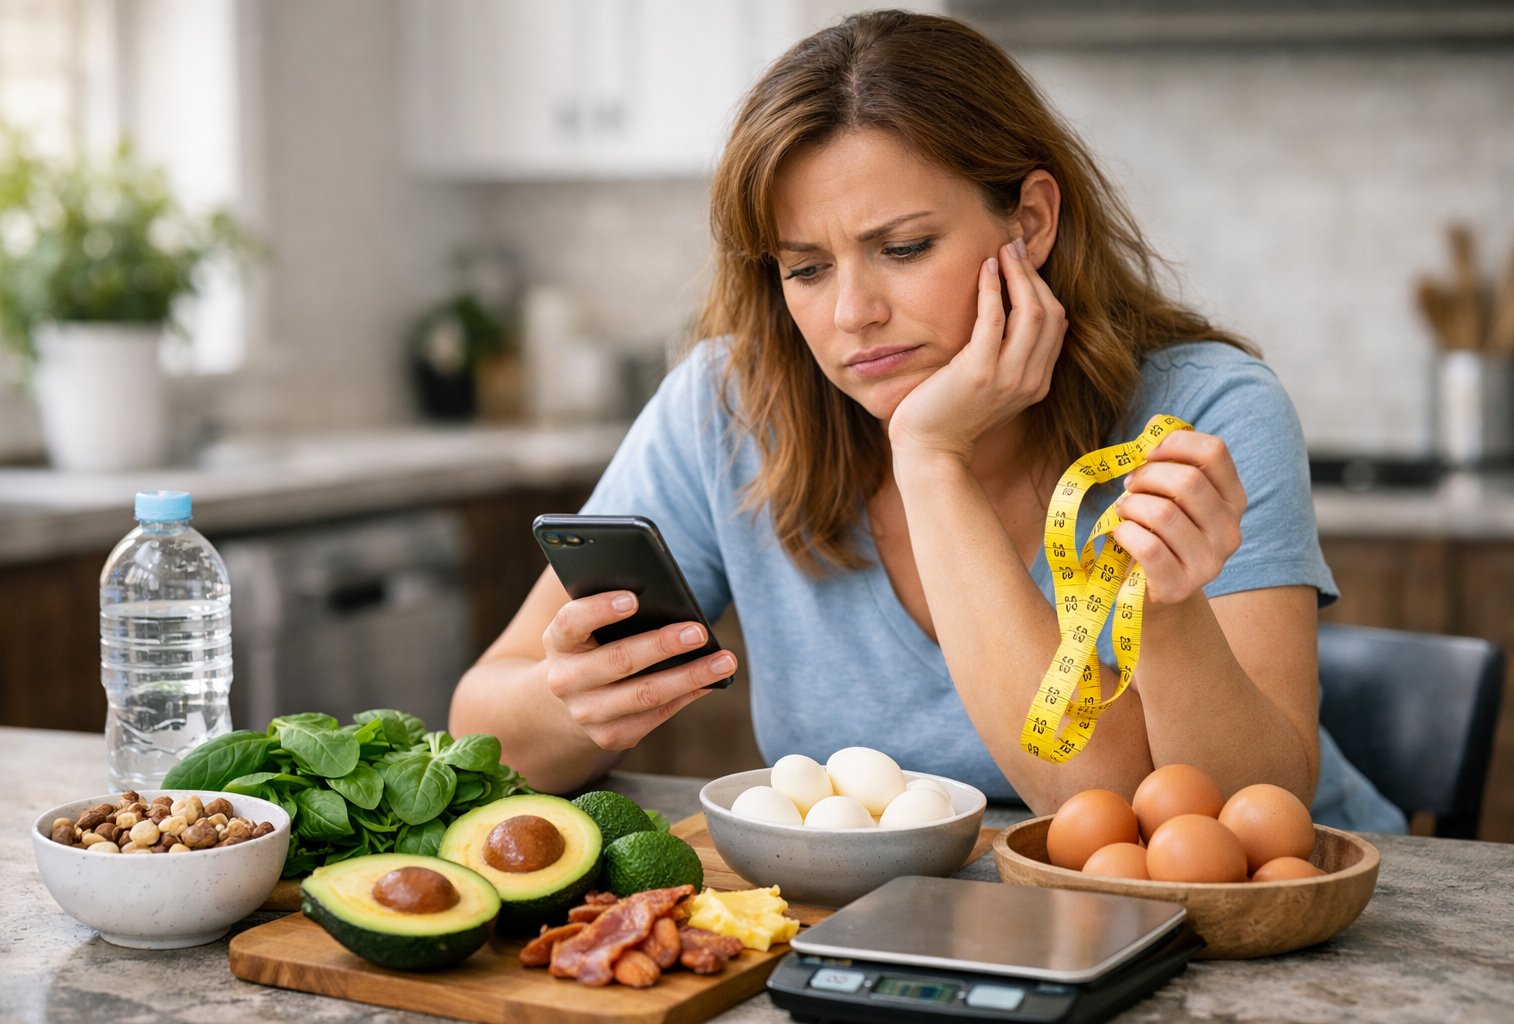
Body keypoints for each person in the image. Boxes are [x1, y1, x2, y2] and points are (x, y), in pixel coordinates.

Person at [450, 9, 1405, 833]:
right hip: (917, 928)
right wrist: (568, 700)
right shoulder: (728, 406)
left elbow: (1156, 815)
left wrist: (930, 456)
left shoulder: (1203, 411)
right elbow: (481, 732)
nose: (851, 314)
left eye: (903, 248)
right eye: (805, 268)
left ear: (1030, 221)